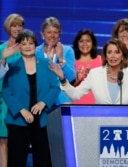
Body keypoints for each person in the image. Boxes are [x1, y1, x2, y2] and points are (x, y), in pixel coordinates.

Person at [2, 29, 60, 167]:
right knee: (16, 160)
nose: (27, 46)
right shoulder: (12, 65)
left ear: (35, 45)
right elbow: (7, 91)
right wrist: (22, 110)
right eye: (23, 43)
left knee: (42, 160)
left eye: (31, 43)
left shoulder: (46, 64)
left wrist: (43, 103)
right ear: (18, 47)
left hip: (42, 120)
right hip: (18, 120)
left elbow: (55, 87)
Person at [0, 13, 24, 167]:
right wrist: (3, 58)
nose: (17, 28)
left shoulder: (27, 47)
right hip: (3, 100)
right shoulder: (2, 49)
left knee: (18, 141)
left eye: (20, 25)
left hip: (21, 99)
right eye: (14, 25)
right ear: (8, 27)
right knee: (3, 141)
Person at [35, 16, 75, 105]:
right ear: (42, 34)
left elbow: (71, 77)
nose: (52, 35)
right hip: (40, 99)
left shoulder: (68, 51)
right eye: (49, 32)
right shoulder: (35, 52)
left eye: (55, 32)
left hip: (62, 99)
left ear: (59, 34)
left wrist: (61, 58)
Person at [71, 29, 102, 104]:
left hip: (96, 104)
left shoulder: (100, 60)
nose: (84, 44)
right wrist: (77, 81)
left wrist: (91, 78)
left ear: (93, 43)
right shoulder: (72, 61)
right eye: (81, 41)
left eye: (88, 41)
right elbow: (66, 87)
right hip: (75, 104)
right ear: (77, 43)